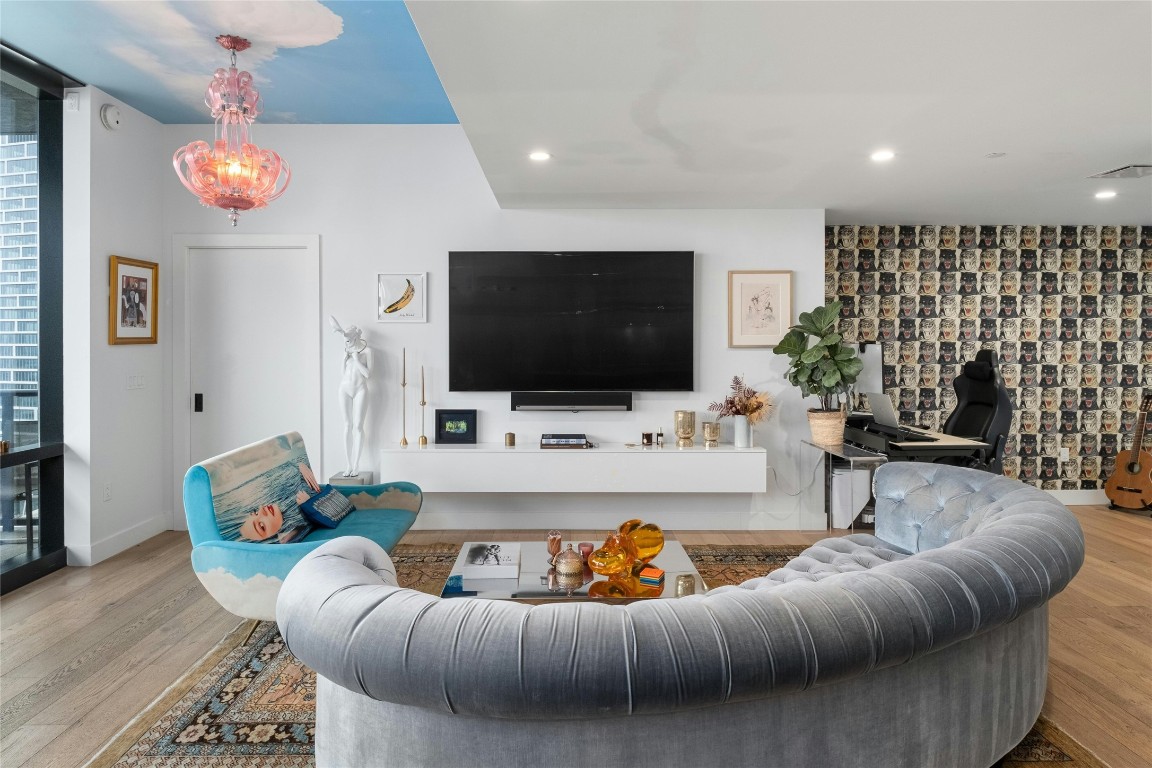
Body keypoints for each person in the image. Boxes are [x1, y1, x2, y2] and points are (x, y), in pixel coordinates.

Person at [330, 316, 372, 477]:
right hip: (344, 389)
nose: (346, 344)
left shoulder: (367, 351)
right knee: (347, 425)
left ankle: (356, 465)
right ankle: (348, 464)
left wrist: (356, 360)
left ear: (356, 337)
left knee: (358, 426)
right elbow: (343, 374)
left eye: (348, 340)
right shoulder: (345, 351)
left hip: (361, 389)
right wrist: (344, 360)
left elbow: (368, 374)